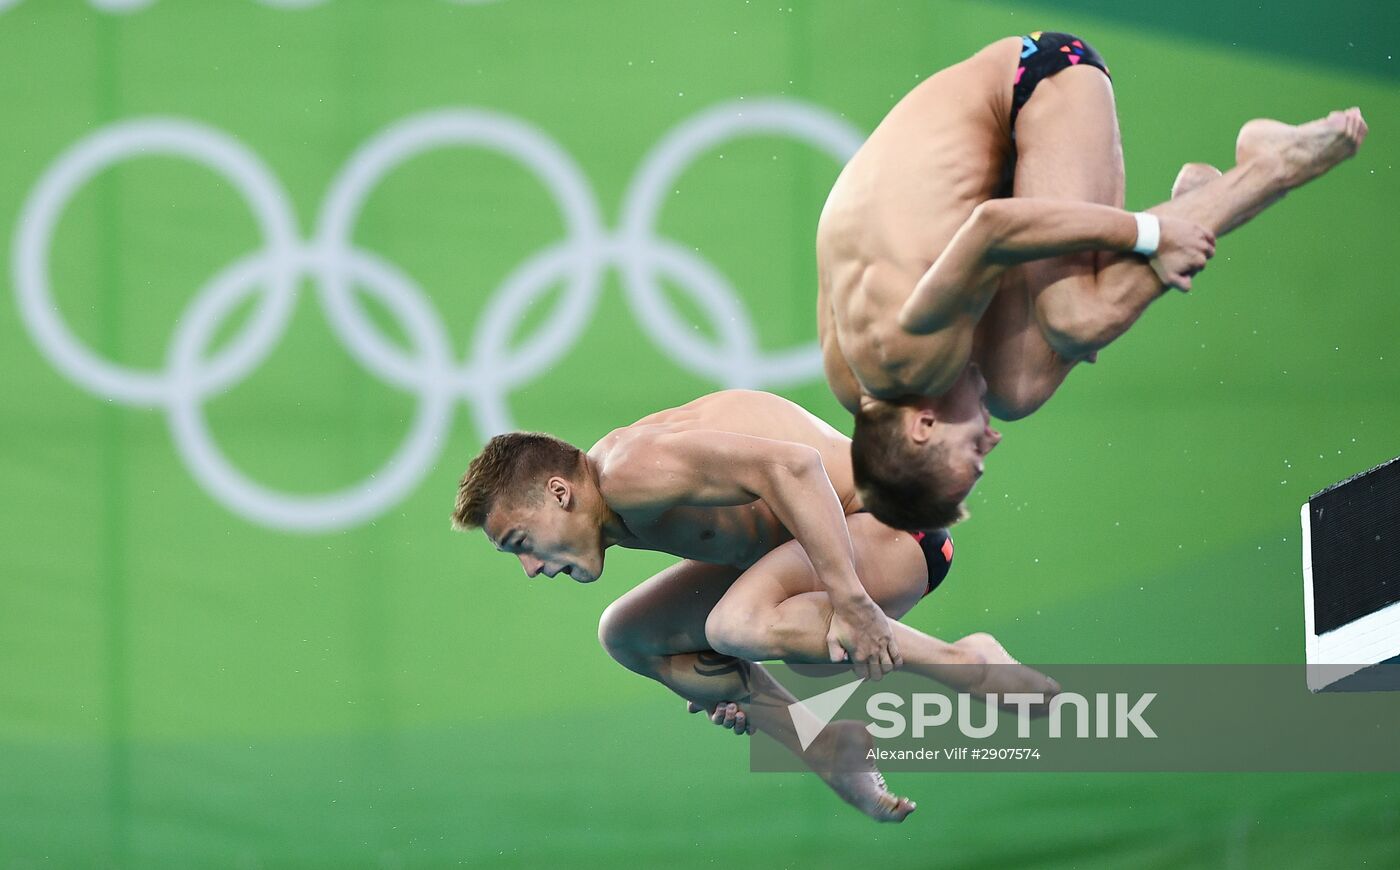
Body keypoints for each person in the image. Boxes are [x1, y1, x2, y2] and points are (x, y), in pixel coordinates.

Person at [818, 32, 1368, 530]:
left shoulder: (910, 355)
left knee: (1078, 317)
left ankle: (1271, 166)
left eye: (975, 456)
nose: (992, 440)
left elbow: (992, 228)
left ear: (923, 427)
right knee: (1016, 388)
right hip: (991, 154)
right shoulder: (856, 383)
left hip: (1041, 80)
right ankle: (1201, 203)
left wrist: (1150, 236)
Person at [451, 389, 1058, 822]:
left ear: (560, 493)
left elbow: (795, 466)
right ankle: (825, 749)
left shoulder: (629, 471)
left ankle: (965, 661)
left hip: (888, 526)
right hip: (814, 552)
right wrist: (735, 690)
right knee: (628, 636)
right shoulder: (610, 505)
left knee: (734, 624)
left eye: (522, 544)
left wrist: (851, 602)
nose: (531, 569)